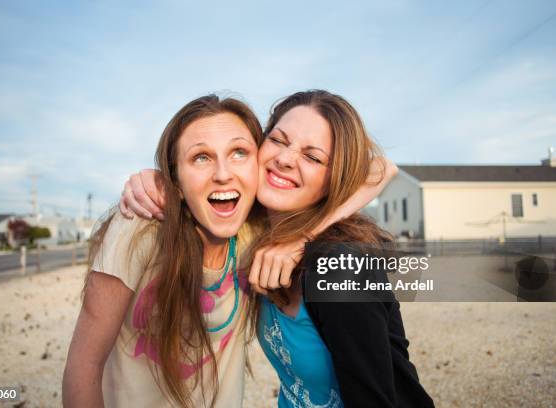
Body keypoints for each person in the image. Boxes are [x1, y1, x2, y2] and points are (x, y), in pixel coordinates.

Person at [63, 93, 394, 408]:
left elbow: (382, 168)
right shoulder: (223, 224)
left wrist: (303, 238)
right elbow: (85, 363)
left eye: (313, 156)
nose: (223, 174)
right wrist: (156, 178)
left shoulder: (319, 256)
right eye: (278, 140)